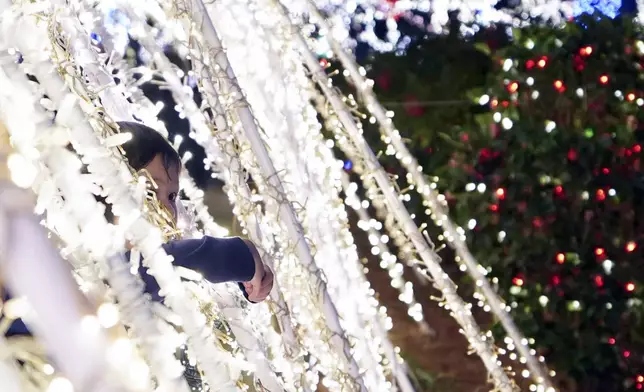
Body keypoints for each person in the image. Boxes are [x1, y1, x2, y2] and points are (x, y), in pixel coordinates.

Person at [4, 121, 273, 336]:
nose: (166, 210)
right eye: (151, 190)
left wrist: (240, 280)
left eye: (171, 197)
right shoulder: (54, 247)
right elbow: (126, 280)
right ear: (104, 185)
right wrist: (230, 255)